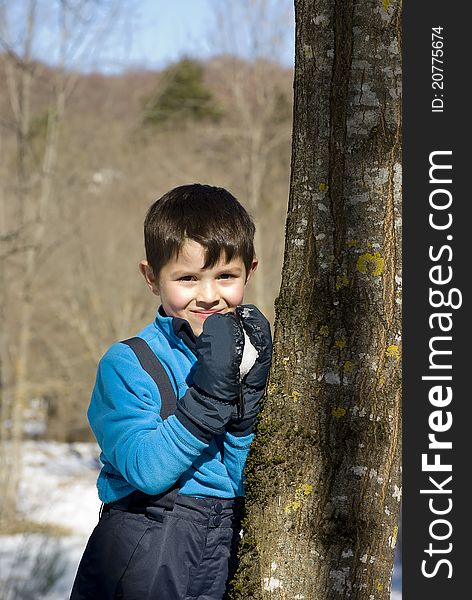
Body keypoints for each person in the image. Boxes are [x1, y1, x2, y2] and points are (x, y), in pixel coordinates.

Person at [70, 183, 272, 600]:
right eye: (187, 278)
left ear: (250, 271)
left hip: (223, 548)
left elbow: (243, 482)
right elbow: (145, 470)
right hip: (144, 547)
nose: (209, 296)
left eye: (226, 277)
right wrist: (209, 401)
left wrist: (245, 412)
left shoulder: (250, 357)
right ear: (151, 276)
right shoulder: (129, 363)